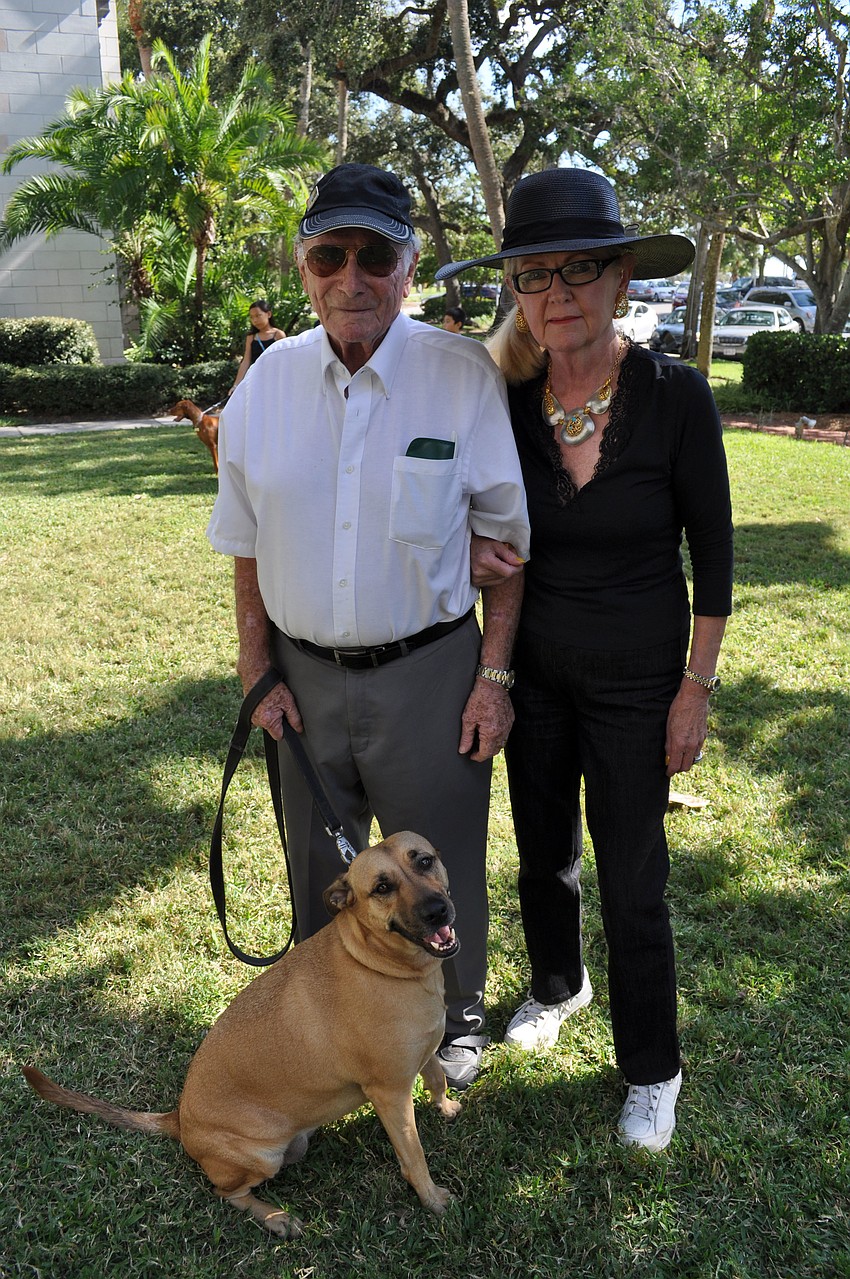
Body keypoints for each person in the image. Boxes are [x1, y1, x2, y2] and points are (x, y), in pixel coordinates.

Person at [207, 162, 530, 1090]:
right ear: (304, 267)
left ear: (408, 263)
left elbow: (509, 547)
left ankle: (456, 1019)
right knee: (325, 868)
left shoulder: (459, 374)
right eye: (329, 254)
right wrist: (256, 667)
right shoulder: (265, 383)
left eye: (374, 254)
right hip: (301, 677)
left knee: (439, 854)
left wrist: (493, 677)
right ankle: (341, 1022)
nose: (351, 277)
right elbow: (244, 541)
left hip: (430, 670)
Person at [436, 167, 733, 1148]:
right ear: (515, 290)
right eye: (534, 274)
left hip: (641, 681)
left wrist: (694, 690)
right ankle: (558, 984)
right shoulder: (507, 400)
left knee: (633, 880)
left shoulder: (676, 397)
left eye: (579, 270)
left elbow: (716, 558)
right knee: (542, 853)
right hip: (536, 672)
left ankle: (653, 1067)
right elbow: (474, 519)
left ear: (619, 279)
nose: (556, 293)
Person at [229, 300, 286, 394]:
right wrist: (236, 385)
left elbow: (284, 361)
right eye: (252, 317)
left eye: (258, 315)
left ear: (268, 314)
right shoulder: (251, 337)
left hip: (275, 381)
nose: (255, 320)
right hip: (256, 380)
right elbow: (246, 361)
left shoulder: (278, 334)